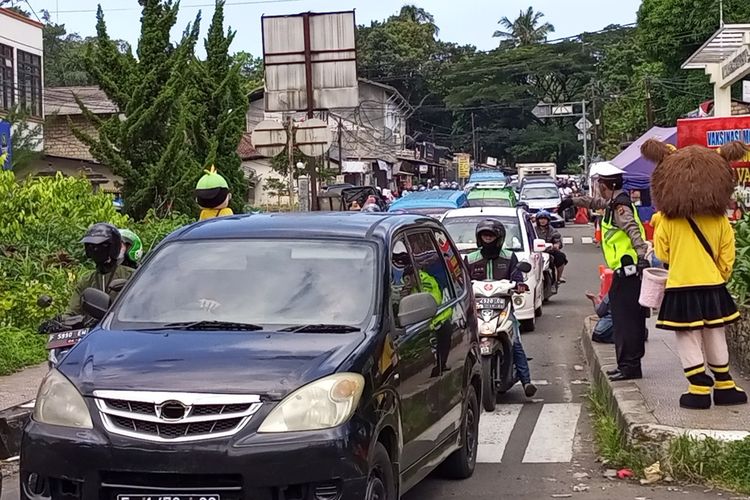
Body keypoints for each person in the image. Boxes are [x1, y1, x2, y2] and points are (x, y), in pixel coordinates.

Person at [642, 139, 749, 410]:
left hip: (681, 285)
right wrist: (718, 275)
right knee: (715, 332)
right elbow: (727, 256)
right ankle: (724, 385)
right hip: (712, 284)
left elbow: (663, 254)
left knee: (688, 336)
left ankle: (699, 388)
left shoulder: (667, 221)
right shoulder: (720, 220)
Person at [560, 163, 648, 381]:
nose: (597, 188)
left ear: (606, 185)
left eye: (599, 183)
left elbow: (633, 230)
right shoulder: (614, 202)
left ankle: (629, 366)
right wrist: (571, 201)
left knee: (625, 320)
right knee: (626, 318)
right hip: (623, 270)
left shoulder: (621, 208)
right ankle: (628, 364)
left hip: (628, 271)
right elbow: (593, 202)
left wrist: (642, 257)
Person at [465, 219, 537, 398]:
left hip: (503, 307)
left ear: (499, 238)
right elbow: (463, 280)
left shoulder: (509, 257)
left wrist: (519, 285)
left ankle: (527, 381)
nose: (487, 239)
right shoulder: (471, 258)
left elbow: (517, 276)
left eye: (490, 236)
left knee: (516, 342)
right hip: (478, 309)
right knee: (465, 342)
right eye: (484, 235)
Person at [67, 223, 134, 317]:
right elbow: (73, 311)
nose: (95, 249)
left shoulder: (131, 275)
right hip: (93, 329)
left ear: (112, 247)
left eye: (101, 246)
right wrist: (61, 321)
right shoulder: (86, 281)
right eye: (91, 246)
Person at [534, 210, 567, 284]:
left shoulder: (552, 230)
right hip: (535, 251)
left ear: (548, 220)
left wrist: (557, 245)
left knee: (561, 257)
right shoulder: (533, 229)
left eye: (544, 219)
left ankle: (558, 277)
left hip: (549, 251)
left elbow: (557, 239)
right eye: (541, 219)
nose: (542, 221)